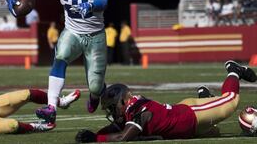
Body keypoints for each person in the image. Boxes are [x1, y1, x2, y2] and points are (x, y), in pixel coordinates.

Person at [5, 0, 113, 124]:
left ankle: (95, 95)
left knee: (95, 86)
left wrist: (92, 5)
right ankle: (51, 107)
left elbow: (102, 0)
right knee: (60, 57)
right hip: (72, 30)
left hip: (95, 36)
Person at [75, 60, 257, 142]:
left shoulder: (139, 112)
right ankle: (206, 98)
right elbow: (115, 129)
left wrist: (96, 138)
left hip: (191, 116)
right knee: (214, 133)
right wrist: (92, 134)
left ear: (123, 102)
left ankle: (234, 70)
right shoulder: (130, 108)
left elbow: (123, 136)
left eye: (112, 108)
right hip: (185, 119)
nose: (112, 114)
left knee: (231, 101)